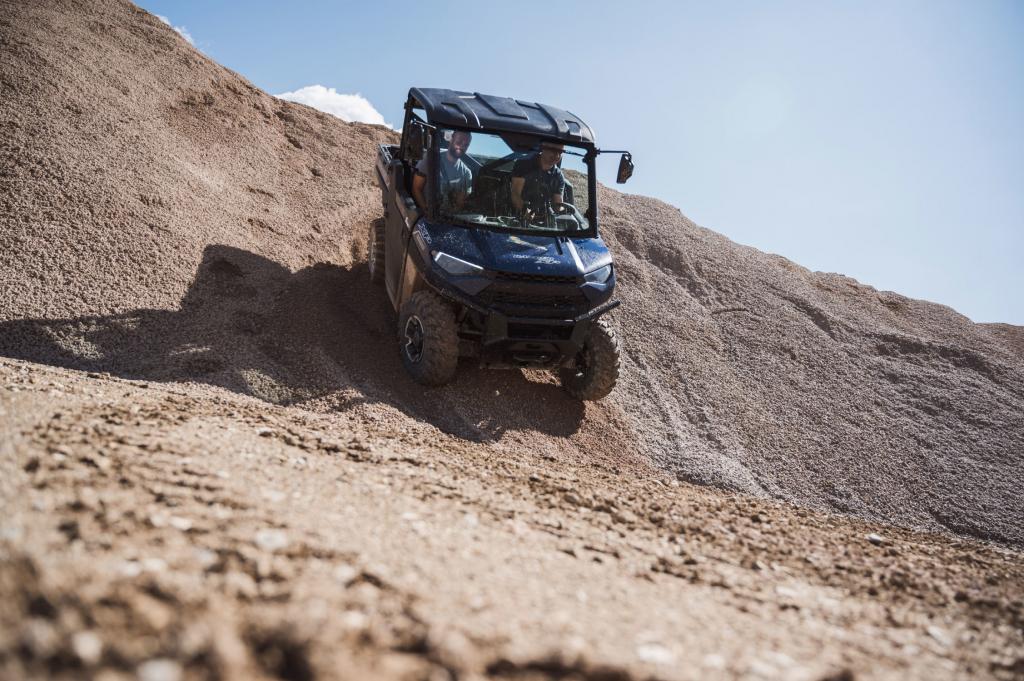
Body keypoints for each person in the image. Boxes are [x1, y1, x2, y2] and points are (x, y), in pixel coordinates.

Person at [412, 130, 473, 212]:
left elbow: (459, 203)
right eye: (459, 142)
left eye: (466, 145)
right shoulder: (431, 158)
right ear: (451, 139)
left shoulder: (466, 173)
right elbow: (416, 188)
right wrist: (426, 211)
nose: (462, 147)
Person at [511, 141, 566, 222]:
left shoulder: (558, 176)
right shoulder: (524, 164)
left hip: (544, 222)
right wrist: (524, 211)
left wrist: (564, 212)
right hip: (515, 216)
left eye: (560, 152)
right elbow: (515, 194)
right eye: (553, 150)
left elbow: (558, 204)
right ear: (543, 148)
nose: (557, 155)